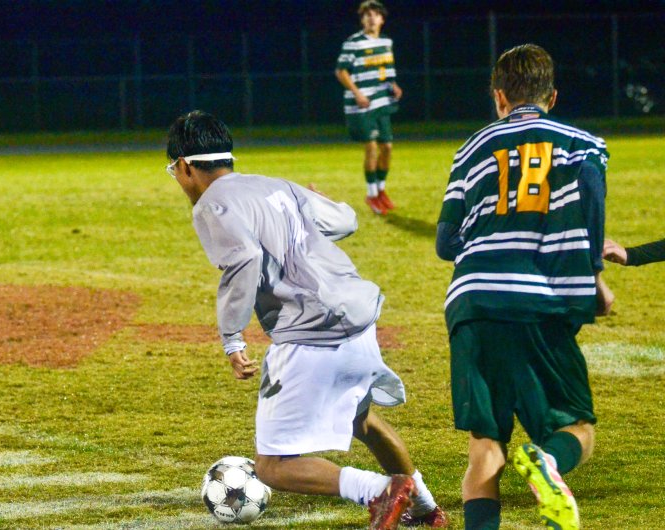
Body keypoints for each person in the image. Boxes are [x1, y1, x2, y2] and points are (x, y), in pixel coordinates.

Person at [167, 110, 448, 529]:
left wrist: (232, 337)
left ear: (185, 165)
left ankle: (379, 490)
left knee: (273, 467)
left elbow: (245, 258)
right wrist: (320, 205)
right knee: (362, 421)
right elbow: (345, 220)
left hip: (311, 331)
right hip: (358, 317)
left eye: (173, 171)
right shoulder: (276, 185)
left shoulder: (211, 204)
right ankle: (425, 509)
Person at [435, 44, 613, 530]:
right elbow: (591, 202)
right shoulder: (582, 145)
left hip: (473, 300)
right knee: (577, 427)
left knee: (485, 444)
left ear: (499, 97)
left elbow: (446, 243)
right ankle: (548, 460)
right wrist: (595, 275)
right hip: (542, 301)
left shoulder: (471, 147)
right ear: (552, 97)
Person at [335, 0, 403, 215]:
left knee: (387, 148)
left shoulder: (386, 42)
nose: (371, 18)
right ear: (362, 20)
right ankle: (371, 195)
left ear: (382, 19)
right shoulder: (353, 43)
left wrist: (393, 85)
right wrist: (357, 93)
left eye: (375, 15)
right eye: (367, 15)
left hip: (382, 103)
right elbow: (341, 71)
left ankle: (381, 191)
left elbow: (386, 70)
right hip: (361, 106)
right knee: (372, 147)